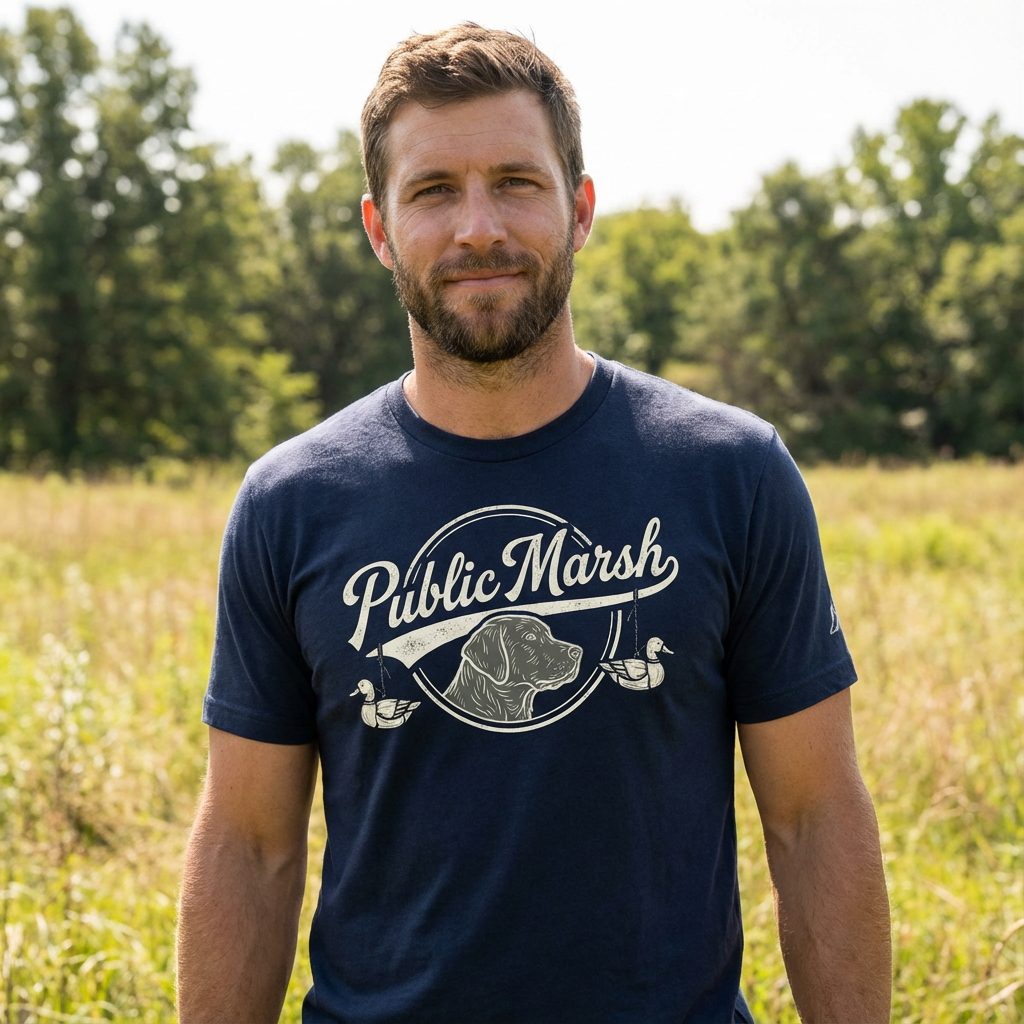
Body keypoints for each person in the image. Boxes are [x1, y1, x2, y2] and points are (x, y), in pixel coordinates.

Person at [176, 23, 891, 1024]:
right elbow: (250, 844)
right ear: (380, 231)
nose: (478, 228)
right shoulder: (292, 501)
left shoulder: (729, 473)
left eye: (516, 181)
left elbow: (814, 818)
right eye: (434, 191)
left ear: (580, 209)